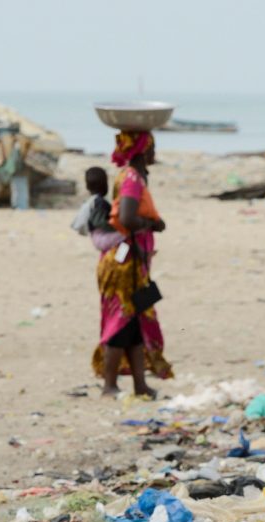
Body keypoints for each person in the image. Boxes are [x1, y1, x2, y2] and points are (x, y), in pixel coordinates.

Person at [94, 131, 173, 398]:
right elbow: (127, 217)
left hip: (133, 262)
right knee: (121, 324)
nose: (154, 153)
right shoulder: (131, 179)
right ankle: (109, 385)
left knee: (135, 323)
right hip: (123, 265)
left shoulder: (135, 177)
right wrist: (153, 224)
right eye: (152, 148)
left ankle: (140, 384)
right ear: (142, 150)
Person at [71, 166, 123, 253]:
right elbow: (100, 222)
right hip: (102, 238)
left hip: (98, 238)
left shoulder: (92, 201)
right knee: (129, 234)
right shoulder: (98, 202)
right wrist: (116, 227)